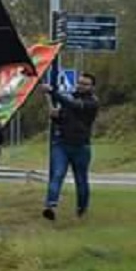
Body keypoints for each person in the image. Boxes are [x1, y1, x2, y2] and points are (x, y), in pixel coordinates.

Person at [42, 73, 99, 221]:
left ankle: (81, 209)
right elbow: (62, 119)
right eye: (79, 83)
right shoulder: (70, 98)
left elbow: (73, 106)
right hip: (62, 144)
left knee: (81, 180)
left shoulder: (92, 102)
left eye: (85, 84)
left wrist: (52, 91)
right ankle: (50, 206)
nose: (81, 86)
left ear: (92, 87)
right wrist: (55, 115)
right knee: (57, 174)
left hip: (81, 147)